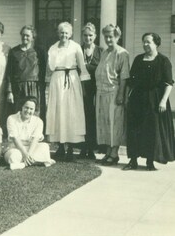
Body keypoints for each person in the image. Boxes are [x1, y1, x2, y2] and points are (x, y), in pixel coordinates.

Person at [123, 33, 175, 171]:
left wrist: (163, 101)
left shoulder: (163, 61)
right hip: (137, 99)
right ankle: (133, 161)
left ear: (156, 44)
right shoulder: (138, 59)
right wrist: (127, 96)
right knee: (134, 129)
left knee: (151, 131)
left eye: (148, 42)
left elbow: (168, 83)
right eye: (144, 42)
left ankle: (149, 162)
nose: (145, 44)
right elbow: (131, 81)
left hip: (155, 99)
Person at [45, 22, 90, 162]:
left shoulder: (76, 47)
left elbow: (82, 67)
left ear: (70, 34)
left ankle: (70, 148)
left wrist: (83, 87)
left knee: (71, 113)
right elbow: (48, 69)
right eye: (61, 32)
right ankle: (59, 147)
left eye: (66, 33)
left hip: (72, 80)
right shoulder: (53, 48)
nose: (64, 35)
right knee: (58, 112)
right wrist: (47, 86)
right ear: (58, 33)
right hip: (56, 80)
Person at [95, 24, 130, 166]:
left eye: (111, 36)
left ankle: (114, 153)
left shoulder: (122, 53)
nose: (108, 39)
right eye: (106, 36)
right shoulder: (104, 53)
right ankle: (108, 151)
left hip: (114, 91)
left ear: (117, 36)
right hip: (101, 91)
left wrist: (121, 94)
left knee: (115, 122)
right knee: (105, 122)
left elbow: (124, 77)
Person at [4, 96, 55, 170]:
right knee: (13, 156)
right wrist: (24, 153)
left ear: (35, 110)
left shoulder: (38, 121)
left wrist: (28, 155)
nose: (28, 111)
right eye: (26, 107)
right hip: (15, 147)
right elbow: (15, 138)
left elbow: (35, 140)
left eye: (31, 109)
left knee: (45, 147)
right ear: (22, 107)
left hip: (31, 148)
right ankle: (38, 161)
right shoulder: (11, 118)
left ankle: (22, 164)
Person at [6, 25, 46, 118]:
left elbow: (43, 72)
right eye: (23, 35)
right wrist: (9, 91)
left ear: (33, 37)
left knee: (34, 112)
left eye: (27, 35)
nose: (25, 37)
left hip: (34, 87)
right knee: (19, 112)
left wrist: (41, 89)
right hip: (18, 87)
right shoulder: (14, 51)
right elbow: (9, 73)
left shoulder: (38, 51)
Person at [79, 23, 103, 159]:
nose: (88, 38)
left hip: (96, 88)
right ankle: (82, 148)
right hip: (81, 88)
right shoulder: (78, 49)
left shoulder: (101, 51)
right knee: (82, 117)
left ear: (95, 36)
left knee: (92, 117)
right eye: (85, 35)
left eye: (90, 35)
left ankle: (91, 149)